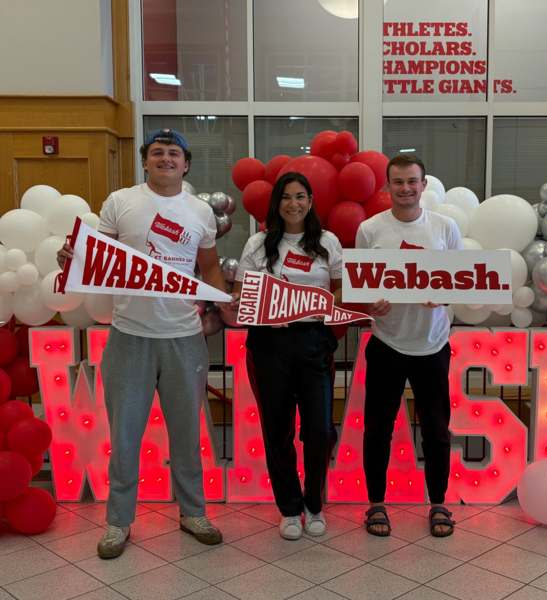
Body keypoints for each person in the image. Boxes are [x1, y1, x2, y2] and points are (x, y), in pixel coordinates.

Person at [58, 128, 233, 558]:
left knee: (187, 436)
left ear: (186, 163)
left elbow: (208, 268)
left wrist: (221, 304)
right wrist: (73, 258)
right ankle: (118, 522)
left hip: (185, 338)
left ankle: (193, 513)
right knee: (126, 435)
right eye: (158, 153)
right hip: (129, 335)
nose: (166, 159)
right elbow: (100, 256)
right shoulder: (121, 202)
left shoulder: (199, 211)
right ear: (146, 160)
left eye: (174, 153)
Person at [355, 154, 462, 538]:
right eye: (397, 182)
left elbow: (460, 281)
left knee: (437, 430)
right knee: (377, 429)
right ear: (387, 186)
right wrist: (371, 305)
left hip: (433, 346)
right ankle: (376, 504)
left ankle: (438, 503)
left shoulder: (445, 228)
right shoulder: (369, 230)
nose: (405, 189)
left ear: (424, 185)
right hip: (386, 343)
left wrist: (443, 296)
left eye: (412, 182)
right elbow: (362, 290)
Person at [233, 171, 342, 540]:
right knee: (277, 431)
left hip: (313, 342)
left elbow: (339, 294)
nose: (293, 203)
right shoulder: (258, 243)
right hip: (269, 346)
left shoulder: (327, 242)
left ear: (310, 201)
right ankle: (290, 509)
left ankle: (315, 503)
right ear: (276, 203)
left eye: (300, 196)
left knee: (318, 430)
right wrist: (263, 311)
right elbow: (243, 295)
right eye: (285, 197)